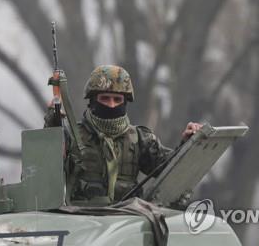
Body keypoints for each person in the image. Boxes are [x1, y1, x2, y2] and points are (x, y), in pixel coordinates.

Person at [45, 65, 202, 206]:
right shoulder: (72, 136)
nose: (112, 105)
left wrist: (189, 144)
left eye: (117, 99)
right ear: (92, 101)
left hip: (127, 221)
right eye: (105, 98)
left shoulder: (140, 138)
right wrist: (51, 129)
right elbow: (43, 171)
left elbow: (169, 170)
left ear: (125, 102)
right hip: (82, 220)